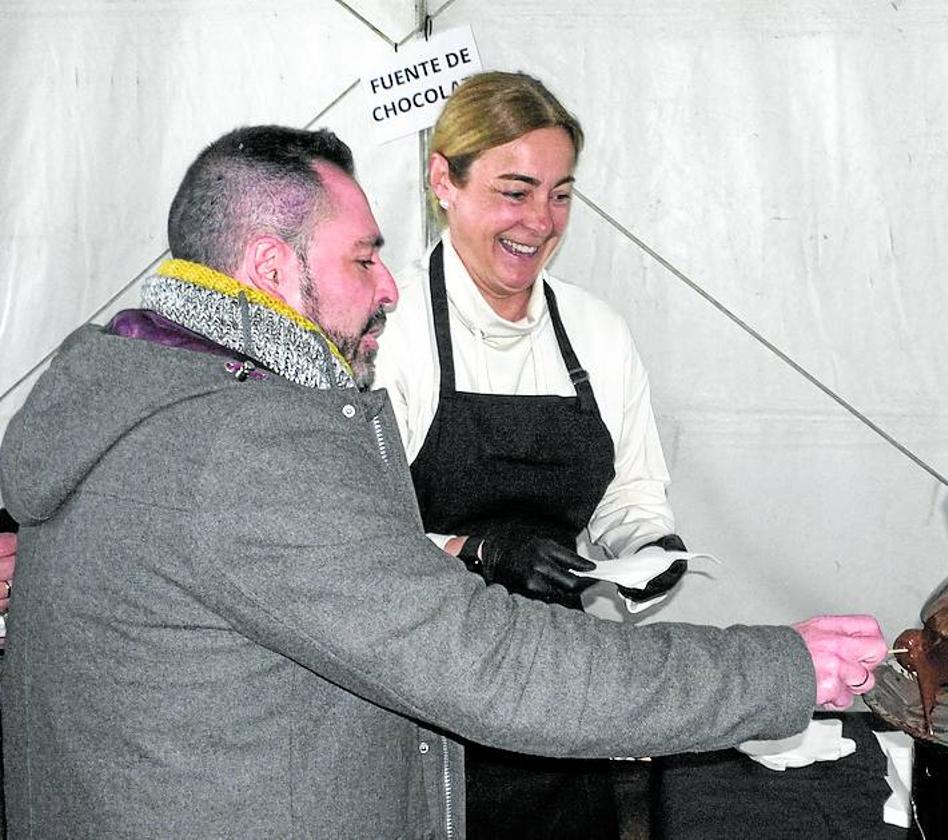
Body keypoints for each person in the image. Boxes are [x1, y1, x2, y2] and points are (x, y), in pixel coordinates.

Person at [0, 124, 884, 839]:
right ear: (271, 269)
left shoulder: (164, 386)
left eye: (560, 193)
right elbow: (485, 662)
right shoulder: (242, 445)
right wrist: (775, 669)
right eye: (361, 259)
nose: (385, 285)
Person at [376, 70, 695, 837]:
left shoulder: (597, 330)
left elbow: (629, 491)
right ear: (442, 180)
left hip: (557, 691)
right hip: (415, 697)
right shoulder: (392, 332)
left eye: (560, 193)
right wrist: (478, 551)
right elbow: (351, 540)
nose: (541, 221)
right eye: (515, 191)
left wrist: (648, 547)